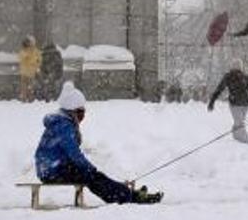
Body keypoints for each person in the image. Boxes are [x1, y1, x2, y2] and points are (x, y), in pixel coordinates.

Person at [34, 82, 162, 204]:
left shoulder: (62, 122)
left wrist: (88, 168)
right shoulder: (64, 125)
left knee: (93, 175)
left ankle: (126, 193)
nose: (82, 116)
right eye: (80, 112)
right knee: (91, 176)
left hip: (51, 168)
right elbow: (74, 153)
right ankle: (129, 196)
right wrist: (88, 168)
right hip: (52, 171)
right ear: (72, 111)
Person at [208, 59, 248, 143]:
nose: (236, 70)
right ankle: (246, 142)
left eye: (238, 68)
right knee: (239, 123)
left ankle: (236, 138)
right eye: (235, 68)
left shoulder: (245, 77)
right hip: (235, 104)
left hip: (245, 104)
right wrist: (212, 101)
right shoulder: (228, 77)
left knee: (239, 123)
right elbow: (219, 89)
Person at [18, 36, 41, 102]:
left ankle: (29, 98)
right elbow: (23, 59)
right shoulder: (24, 51)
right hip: (26, 72)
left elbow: (39, 60)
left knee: (30, 86)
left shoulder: (34, 51)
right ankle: (25, 98)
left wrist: (36, 65)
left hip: (30, 72)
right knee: (26, 86)